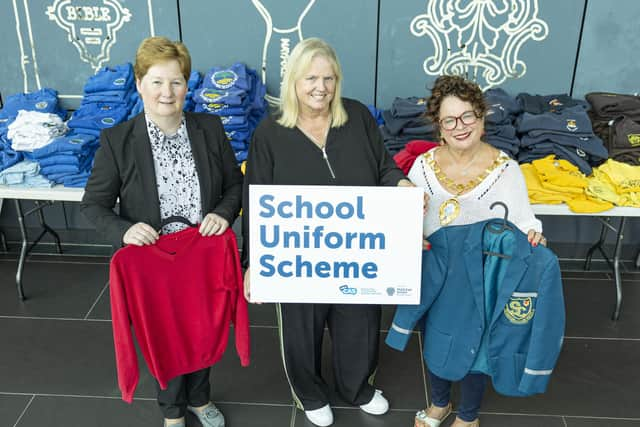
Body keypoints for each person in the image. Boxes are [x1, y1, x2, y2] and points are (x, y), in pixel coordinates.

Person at [241, 37, 413, 427]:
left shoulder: (358, 118)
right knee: (300, 329)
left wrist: (401, 186)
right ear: (293, 81)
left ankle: (358, 388)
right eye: (311, 78)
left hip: (357, 250)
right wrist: (253, 262)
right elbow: (255, 201)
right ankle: (310, 394)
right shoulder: (269, 133)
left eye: (329, 78)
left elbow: (385, 167)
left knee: (361, 321)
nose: (321, 87)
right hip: (296, 255)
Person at [80, 36, 243, 427]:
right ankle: (172, 411)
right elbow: (92, 206)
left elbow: (235, 186)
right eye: (157, 81)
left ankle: (201, 398)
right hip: (153, 260)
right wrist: (124, 230)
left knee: (204, 328)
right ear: (139, 84)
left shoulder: (209, 127)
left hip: (201, 253)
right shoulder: (118, 141)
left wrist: (222, 213)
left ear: (187, 85)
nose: (167, 92)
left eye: (176, 82)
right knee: (164, 336)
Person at [406, 75, 546, 427]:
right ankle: (440, 404)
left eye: (467, 116)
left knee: (475, 346)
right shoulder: (423, 167)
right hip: (434, 271)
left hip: (483, 276)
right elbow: (406, 216)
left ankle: (468, 416)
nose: (460, 126)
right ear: (439, 126)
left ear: (482, 118)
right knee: (435, 338)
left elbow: (525, 221)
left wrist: (533, 236)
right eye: (450, 119)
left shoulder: (506, 169)